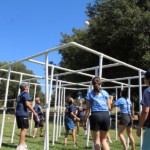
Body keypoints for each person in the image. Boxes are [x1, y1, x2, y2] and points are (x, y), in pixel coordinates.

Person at [83, 76, 113, 150]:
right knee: (103, 140)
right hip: (106, 115)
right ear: (100, 83)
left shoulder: (89, 94)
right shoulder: (105, 93)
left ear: (92, 84)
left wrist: (84, 120)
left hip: (95, 116)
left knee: (96, 141)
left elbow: (87, 109)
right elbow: (109, 108)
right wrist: (111, 101)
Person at [16, 83, 39, 150]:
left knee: (23, 129)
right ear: (25, 87)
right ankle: (20, 146)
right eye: (27, 86)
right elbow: (27, 104)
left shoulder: (20, 94)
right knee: (24, 129)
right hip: (22, 114)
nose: (28, 87)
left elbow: (24, 103)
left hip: (19, 113)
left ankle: (22, 143)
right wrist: (34, 112)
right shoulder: (26, 93)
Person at [137, 70, 150, 149]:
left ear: (148, 79)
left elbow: (145, 111)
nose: (143, 79)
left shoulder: (148, 91)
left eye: (144, 77)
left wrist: (139, 127)